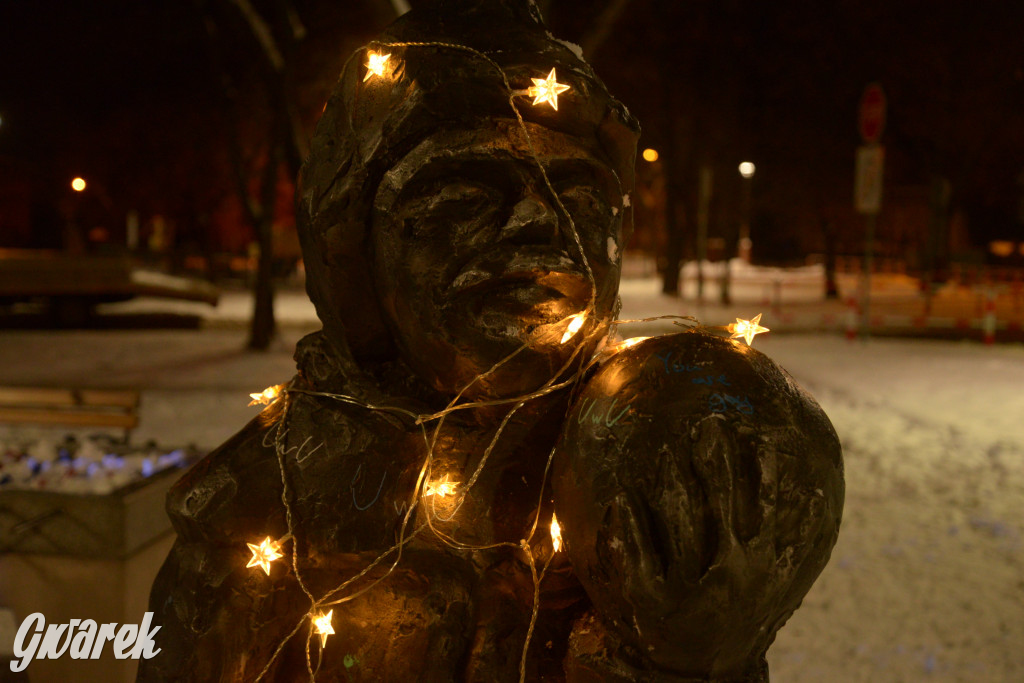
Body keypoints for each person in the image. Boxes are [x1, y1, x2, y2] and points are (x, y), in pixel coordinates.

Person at [141, 2, 842, 681]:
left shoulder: (644, 462)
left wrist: (687, 654)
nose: (540, 223)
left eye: (578, 196)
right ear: (355, 253)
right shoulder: (263, 518)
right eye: (464, 196)